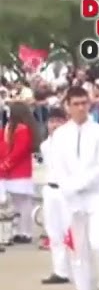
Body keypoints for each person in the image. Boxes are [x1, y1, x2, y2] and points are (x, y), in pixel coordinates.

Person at [53, 85, 99, 290]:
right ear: (67, 107)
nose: (80, 108)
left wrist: (79, 184)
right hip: (71, 198)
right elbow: (58, 167)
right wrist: (69, 190)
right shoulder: (60, 135)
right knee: (78, 248)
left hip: (95, 195)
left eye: (84, 103)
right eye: (76, 104)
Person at [38, 107, 71, 284]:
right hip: (50, 189)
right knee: (54, 232)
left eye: (59, 121)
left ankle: (77, 267)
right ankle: (60, 270)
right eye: (52, 121)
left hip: (66, 191)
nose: (55, 125)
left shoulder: (71, 143)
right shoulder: (45, 145)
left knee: (70, 231)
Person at [2, 100, 41, 245]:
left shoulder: (22, 129)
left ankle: (26, 232)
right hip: (12, 171)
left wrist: (6, 164)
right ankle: (18, 231)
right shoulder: (11, 128)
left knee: (24, 204)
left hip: (20, 170)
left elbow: (19, 150)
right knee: (17, 204)